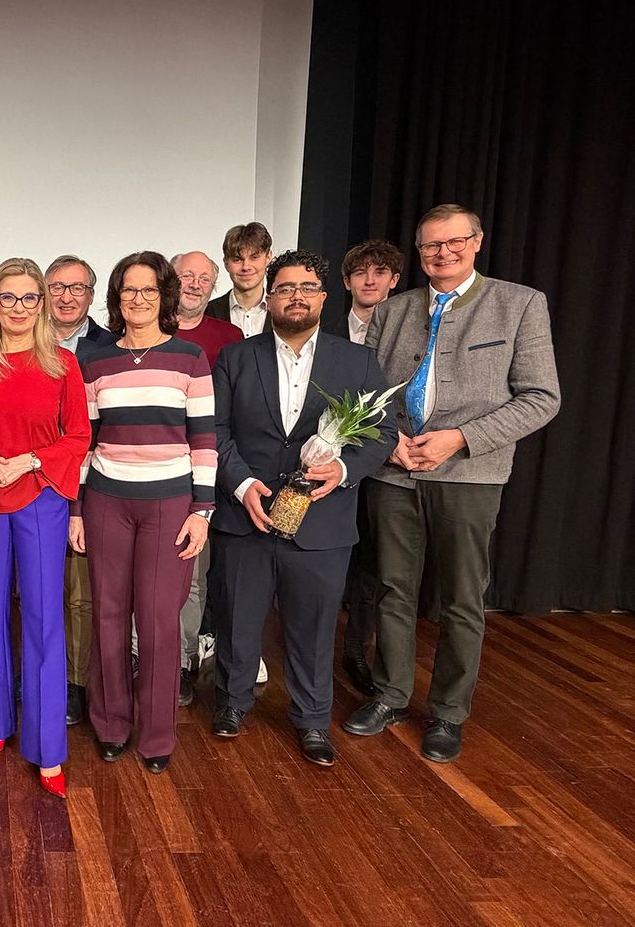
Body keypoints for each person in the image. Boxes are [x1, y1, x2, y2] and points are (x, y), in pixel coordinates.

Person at [343, 204, 560, 762]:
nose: (443, 253)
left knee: (462, 599)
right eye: (431, 246)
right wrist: (385, 439)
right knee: (393, 588)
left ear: (476, 242)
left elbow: (541, 397)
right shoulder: (391, 311)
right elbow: (364, 391)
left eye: (454, 242)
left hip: (470, 473)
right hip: (394, 471)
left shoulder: (519, 304)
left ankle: (447, 713)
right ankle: (391, 694)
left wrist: (460, 437)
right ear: (418, 253)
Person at [211, 250, 394, 767]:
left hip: (323, 519)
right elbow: (216, 431)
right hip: (247, 514)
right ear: (269, 297)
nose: (296, 296)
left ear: (323, 297)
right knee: (237, 617)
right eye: (286, 287)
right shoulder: (236, 358)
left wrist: (345, 470)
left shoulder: (356, 361)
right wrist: (242, 484)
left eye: (307, 287)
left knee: (313, 626)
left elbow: (383, 430)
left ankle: (312, 719)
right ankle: (232, 702)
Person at [0, 257, 90, 798]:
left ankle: (48, 747)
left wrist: (29, 460)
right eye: (9, 297)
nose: (20, 308)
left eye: (31, 298)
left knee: (44, 618)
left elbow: (77, 438)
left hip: (39, 498)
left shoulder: (63, 366)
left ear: (43, 305)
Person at [71, 251, 215, 774]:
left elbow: (203, 439)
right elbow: (84, 442)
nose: (137, 299)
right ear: (116, 299)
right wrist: (77, 510)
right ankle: (111, 725)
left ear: (165, 297)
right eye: (128, 291)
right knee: (108, 616)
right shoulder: (96, 361)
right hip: (107, 502)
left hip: (170, 506)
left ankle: (157, 736)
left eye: (148, 291)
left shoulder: (189, 357)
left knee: (158, 623)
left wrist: (203, 510)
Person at [326, 240, 404, 695]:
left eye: (380, 272)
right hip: (326, 465)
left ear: (394, 280)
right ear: (347, 281)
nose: (370, 280)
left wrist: (389, 443)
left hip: (386, 466)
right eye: (360, 273)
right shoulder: (328, 330)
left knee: (374, 567)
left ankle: (356, 651)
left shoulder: (409, 332)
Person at [168, 250, 243, 704]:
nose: (194, 284)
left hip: (199, 472)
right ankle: (139, 656)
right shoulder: (145, 327)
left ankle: (179, 664)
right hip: (140, 472)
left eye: (203, 278)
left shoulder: (228, 336)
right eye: (185, 276)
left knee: (191, 578)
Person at [44, 253, 113, 726]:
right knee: (36, 593)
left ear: (91, 295)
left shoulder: (109, 348)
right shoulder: (22, 341)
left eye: (77, 288)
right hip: (32, 487)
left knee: (81, 596)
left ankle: (75, 684)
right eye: (57, 287)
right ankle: (41, 677)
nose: (67, 297)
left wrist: (79, 504)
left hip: (86, 489)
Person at [208, 222, 274, 337]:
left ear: (268, 257)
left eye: (254, 257)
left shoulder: (283, 310)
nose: (246, 267)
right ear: (226, 263)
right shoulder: (208, 312)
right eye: (237, 259)